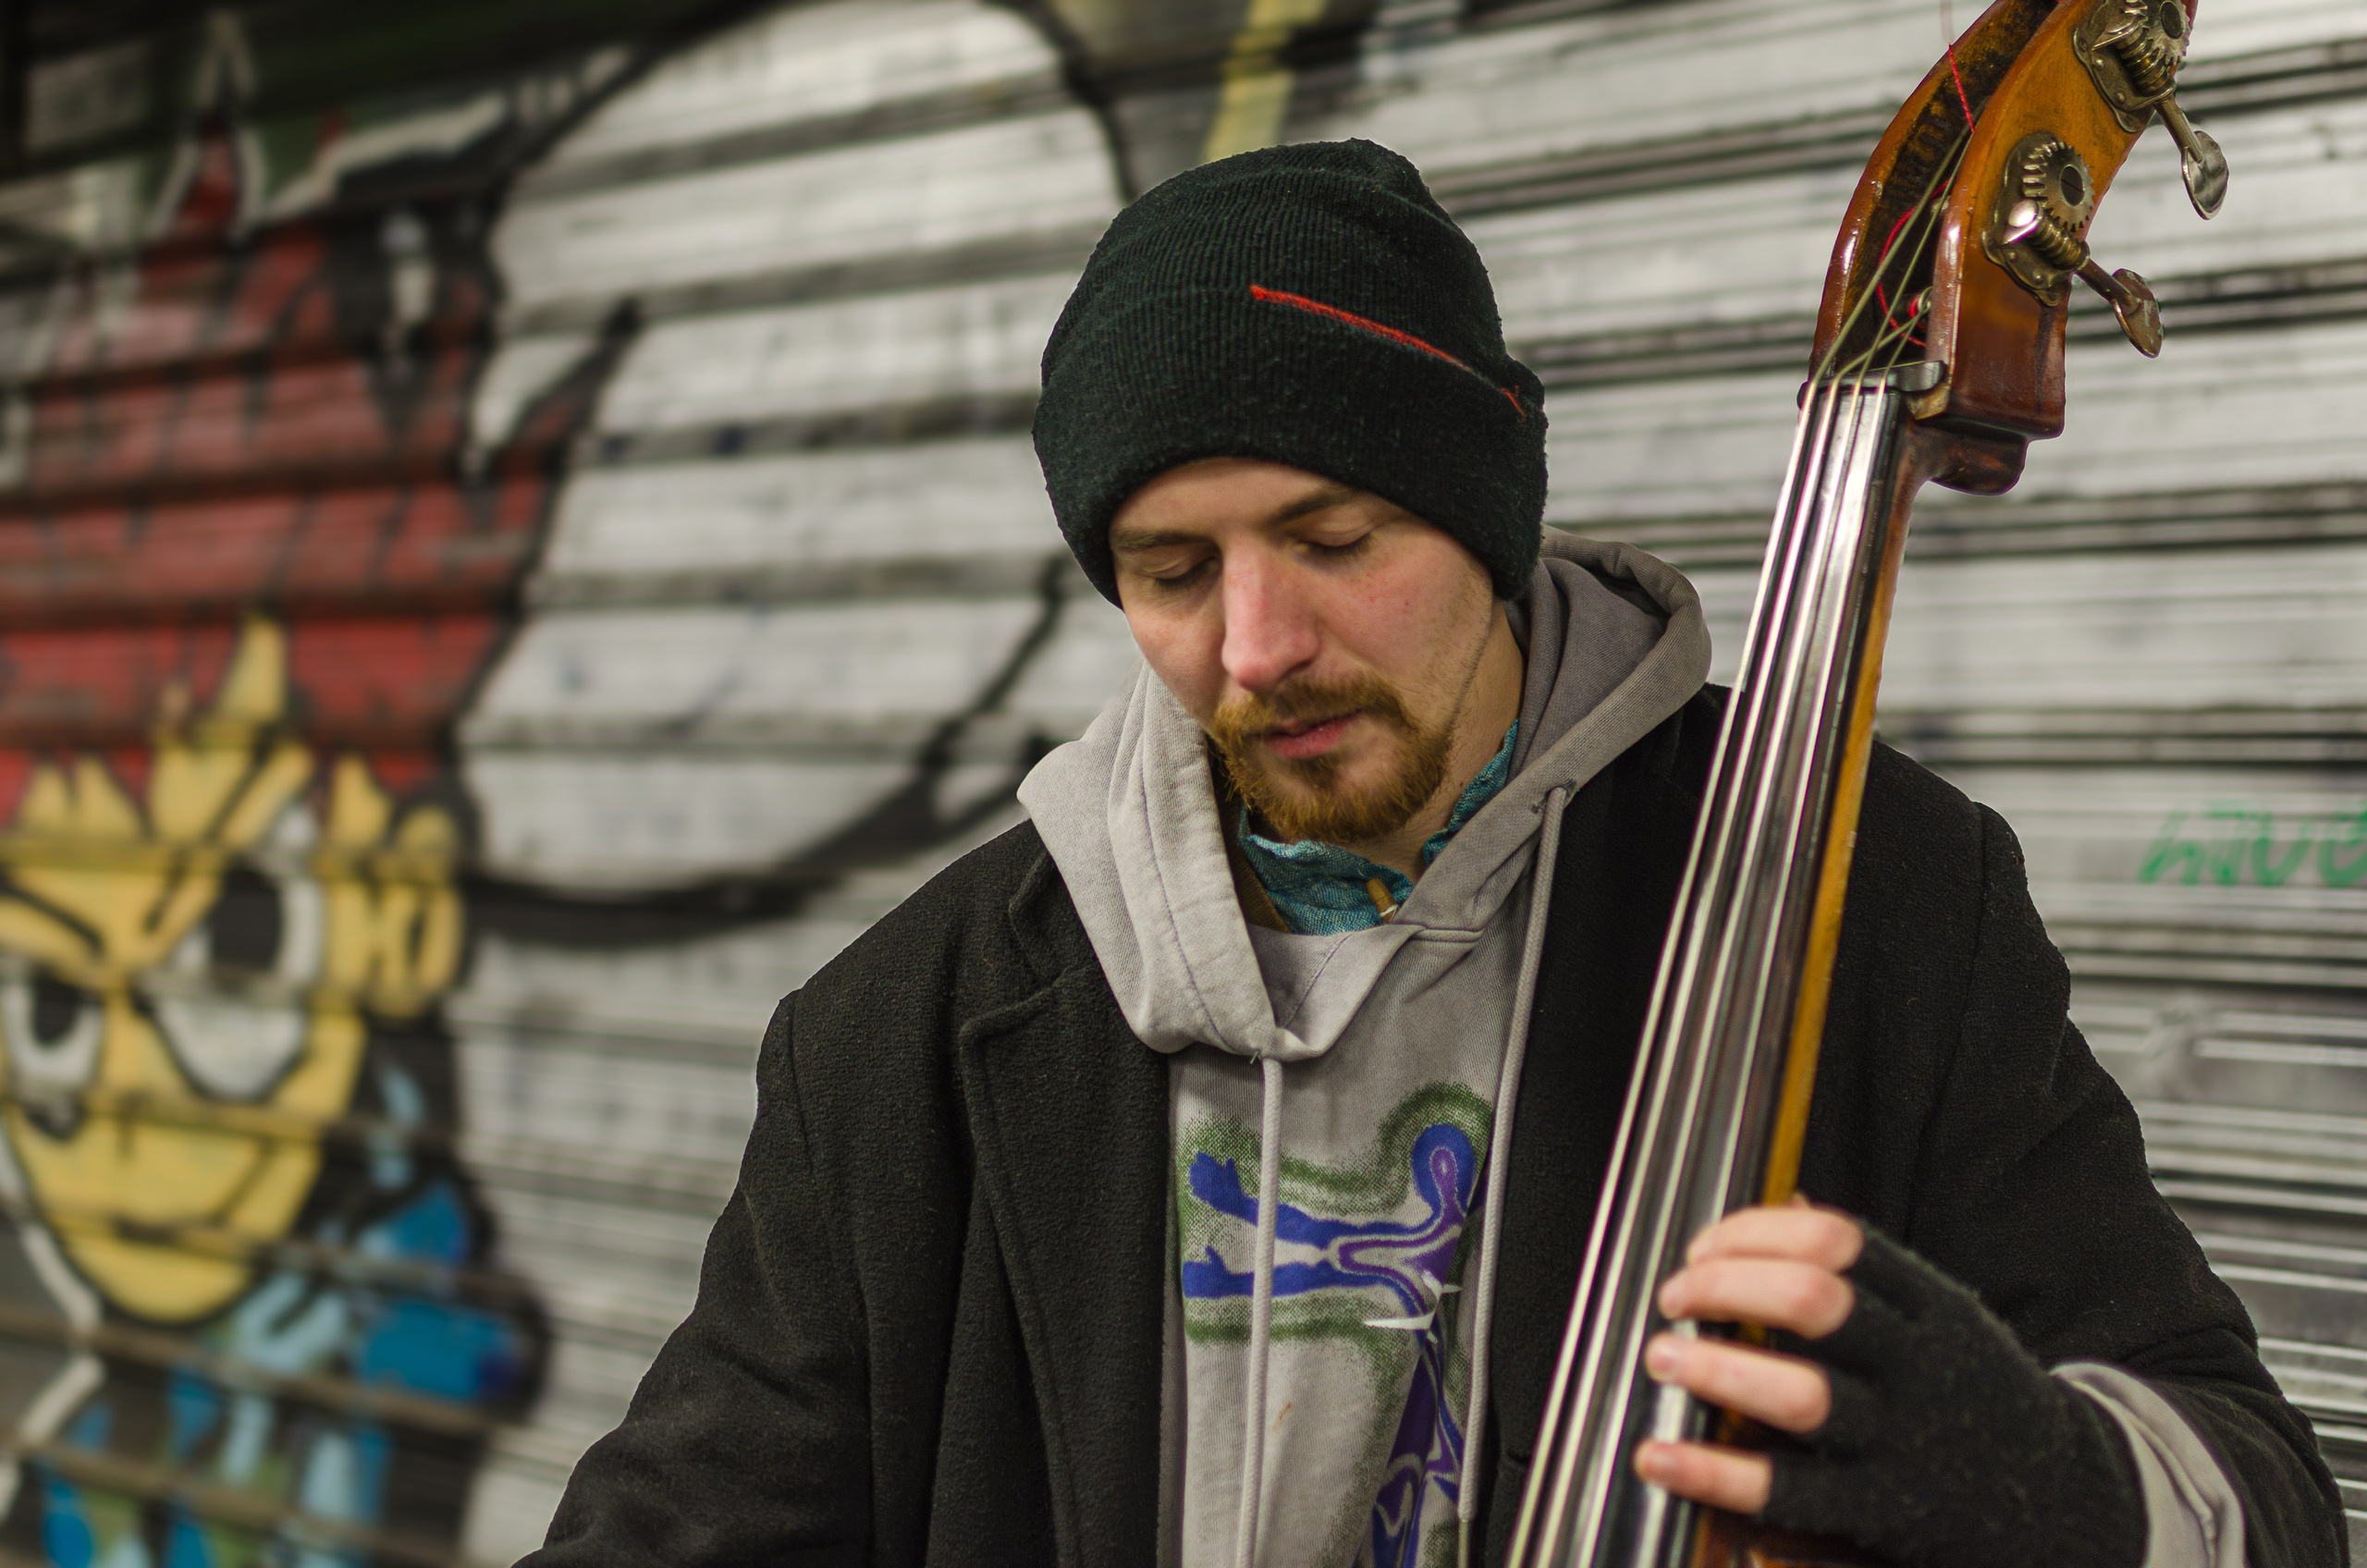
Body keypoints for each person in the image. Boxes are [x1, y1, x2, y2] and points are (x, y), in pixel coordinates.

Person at [521, 141, 2341, 1568]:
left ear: (1484, 512)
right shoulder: (899, 1039)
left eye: (1332, 536)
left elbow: (2262, 1499)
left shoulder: (1863, 897)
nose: (1254, 645)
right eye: (1170, 569)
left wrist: (2040, 1476)